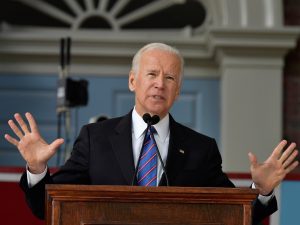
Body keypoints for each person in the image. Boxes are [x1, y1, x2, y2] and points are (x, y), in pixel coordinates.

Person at [4, 43, 299, 224]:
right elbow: (48, 208)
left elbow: (234, 215)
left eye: (170, 77)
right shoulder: (96, 138)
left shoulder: (201, 149)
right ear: (133, 80)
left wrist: (261, 191)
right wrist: (37, 168)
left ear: (178, 90)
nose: (160, 83)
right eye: (152, 74)